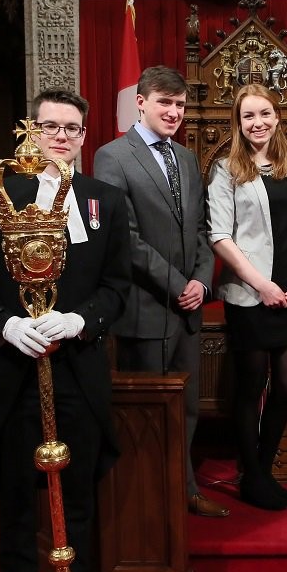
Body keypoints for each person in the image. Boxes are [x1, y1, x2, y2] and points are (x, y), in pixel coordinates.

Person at [0, 89, 131, 572]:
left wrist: (80, 320)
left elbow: (117, 287)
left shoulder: (105, 200)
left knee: (78, 498)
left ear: (83, 136)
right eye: (50, 126)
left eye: (71, 128)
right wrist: (5, 325)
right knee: (15, 503)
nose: (61, 136)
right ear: (31, 130)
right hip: (14, 372)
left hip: (78, 370)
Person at [94, 65, 229, 518]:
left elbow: (203, 229)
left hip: (188, 310)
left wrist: (201, 281)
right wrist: (177, 284)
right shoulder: (112, 156)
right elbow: (126, 239)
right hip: (146, 311)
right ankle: (148, 504)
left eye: (179, 104)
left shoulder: (187, 159)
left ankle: (184, 490)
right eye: (165, 102)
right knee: (147, 418)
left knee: (186, 411)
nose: (174, 112)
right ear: (141, 101)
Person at [206, 84, 287, 511]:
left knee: (286, 386)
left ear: (276, 116)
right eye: (249, 116)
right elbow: (220, 236)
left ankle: (264, 471)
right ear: (238, 122)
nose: (258, 123)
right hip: (251, 295)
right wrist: (260, 285)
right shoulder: (226, 170)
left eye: (264, 114)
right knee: (251, 388)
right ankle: (251, 476)